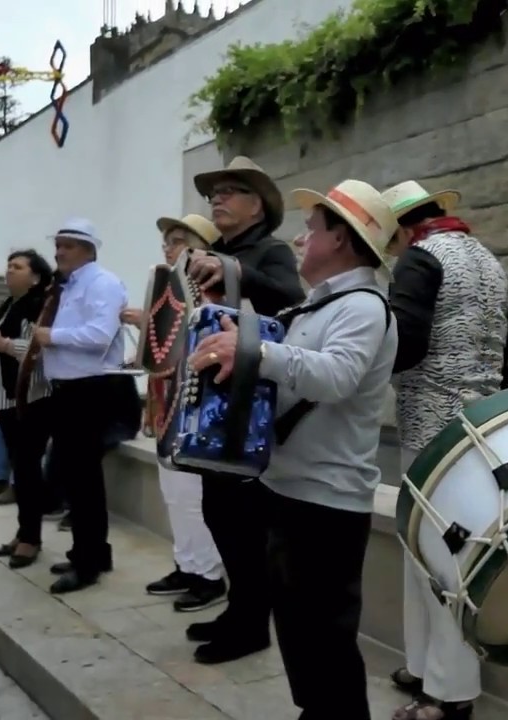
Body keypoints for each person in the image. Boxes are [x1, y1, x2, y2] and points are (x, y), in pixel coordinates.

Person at [190, 178, 398, 719]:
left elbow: (336, 377)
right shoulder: (319, 306)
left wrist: (253, 350)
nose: (301, 240)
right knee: (301, 635)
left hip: (326, 501)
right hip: (289, 489)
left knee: (325, 641)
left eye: (312, 229)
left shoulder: (364, 307)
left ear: (342, 239)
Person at [380, 180, 508, 720]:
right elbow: (504, 345)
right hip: (478, 424)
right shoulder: (485, 259)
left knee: (436, 558)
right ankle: (424, 667)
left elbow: (406, 341)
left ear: (401, 228)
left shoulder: (419, 257)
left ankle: (450, 695)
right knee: (434, 552)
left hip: (431, 428)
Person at [183, 156, 306, 664]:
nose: (218, 198)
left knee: (243, 522)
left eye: (231, 191)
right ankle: (240, 610)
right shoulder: (218, 253)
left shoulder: (271, 251)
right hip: (215, 395)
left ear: (258, 206)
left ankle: (252, 624)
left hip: (248, 402)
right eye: (215, 192)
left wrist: (235, 272)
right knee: (219, 512)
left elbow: (291, 299)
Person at [128, 213, 228, 613]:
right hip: (168, 402)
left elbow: (203, 342)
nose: (168, 248)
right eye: (167, 241)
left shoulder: (213, 291)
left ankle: (209, 575)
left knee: (191, 494)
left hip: (195, 404)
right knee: (174, 492)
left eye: (177, 241)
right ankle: (187, 565)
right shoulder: (169, 290)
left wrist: (146, 323)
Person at [28, 218, 127, 593]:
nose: (59, 252)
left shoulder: (102, 283)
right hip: (70, 388)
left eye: (68, 245)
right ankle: (92, 552)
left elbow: (100, 334)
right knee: (78, 477)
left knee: (83, 480)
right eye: (58, 245)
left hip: (90, 388)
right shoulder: (71, 285)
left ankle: (88, 563)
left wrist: (52, 336)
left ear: (88, 249)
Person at [0, 249, 55, 568]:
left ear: (35, 277)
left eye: (17, 266)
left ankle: (31, 538)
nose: (9, 270)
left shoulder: (39, 307)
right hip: (7, 398)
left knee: (28, 470)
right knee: (21, 469)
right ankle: (24, 532)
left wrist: (1, 344)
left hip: (31, 397)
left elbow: (38, 352)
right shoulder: (9, 305)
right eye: (8, 265)